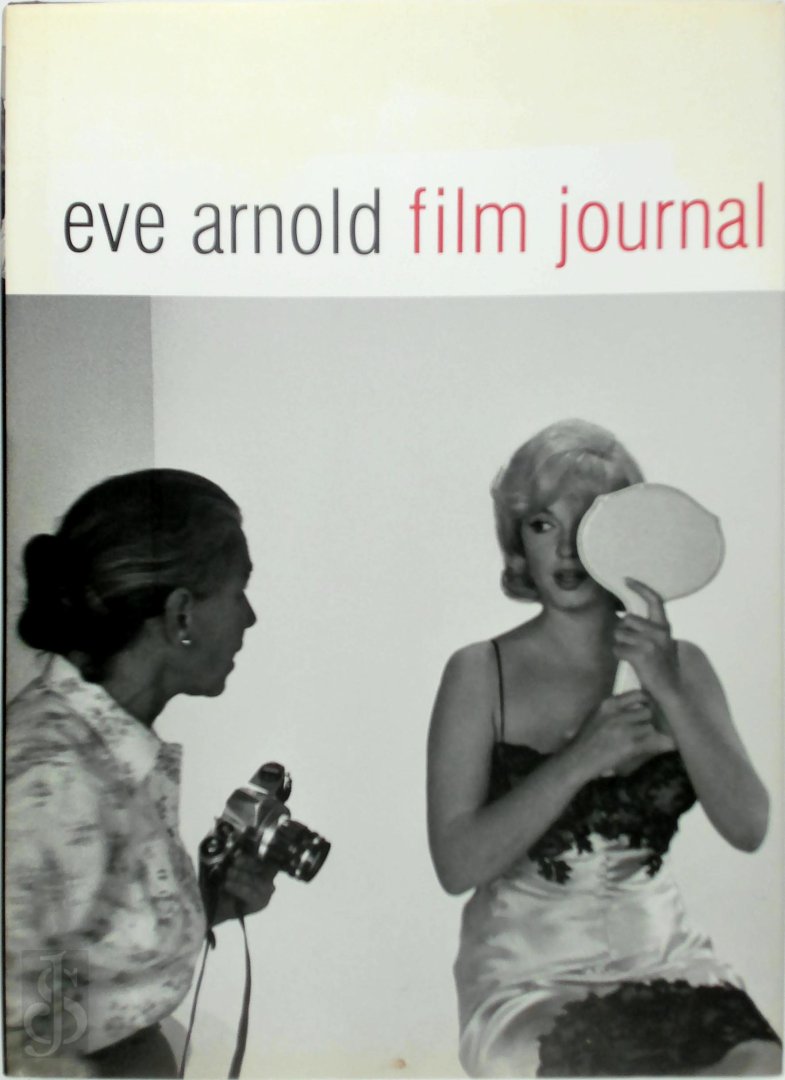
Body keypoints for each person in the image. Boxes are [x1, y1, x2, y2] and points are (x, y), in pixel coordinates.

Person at [427, 420, 781, 1077]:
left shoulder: (684, 666)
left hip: (668, 964)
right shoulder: (477, 673)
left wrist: (668, 687)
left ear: (626, 535)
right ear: (517, 539)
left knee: (761, 1064)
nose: (564, 548)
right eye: (542, 524)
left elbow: (749, 826)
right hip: (528, 981)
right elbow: (455, 865)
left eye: (586, 522)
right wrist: (581, 758)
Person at [5, 469, 275, 1078]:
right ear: (181, 616)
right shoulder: (49, 780)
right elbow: (23, 1048)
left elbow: (68, 971)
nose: (250, 617)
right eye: (239, 591)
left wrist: (208, 902)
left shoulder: (110, 751)